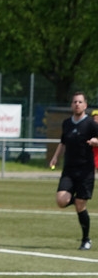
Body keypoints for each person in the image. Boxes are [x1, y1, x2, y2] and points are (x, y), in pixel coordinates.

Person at [49, 92, 98, 251]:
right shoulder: (67, 123)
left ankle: (86, 239)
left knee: (80, 206)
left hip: (85, 171)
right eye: (75, 102)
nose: (77, 104)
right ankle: (78, 200)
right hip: (69, 170)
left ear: (85, 105)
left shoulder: (91, 124)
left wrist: (96, 141)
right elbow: (63, 142)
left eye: (80, 102)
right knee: (61, 200)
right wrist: (55, 157)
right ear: (71, 105)